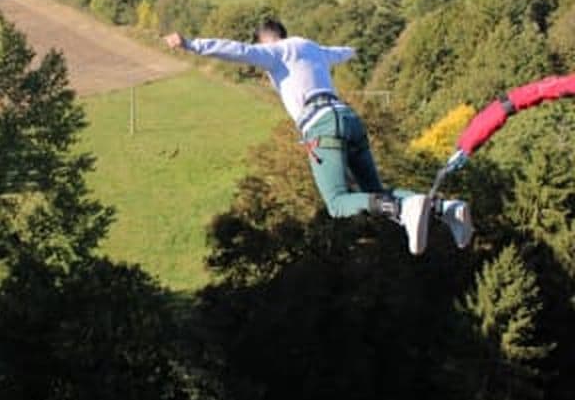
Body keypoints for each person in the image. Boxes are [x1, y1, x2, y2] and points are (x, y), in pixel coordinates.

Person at [165, 19, 472, 256]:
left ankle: (403, 209)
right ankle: (445, 209)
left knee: (337, 203)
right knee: (375, 192)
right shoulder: (312, 48)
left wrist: (191, 44)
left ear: (267, 40)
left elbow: (239, 51)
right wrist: (357, 50)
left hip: (322, 127)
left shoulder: (275, 51)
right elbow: (341, 52)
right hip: (349, 118)